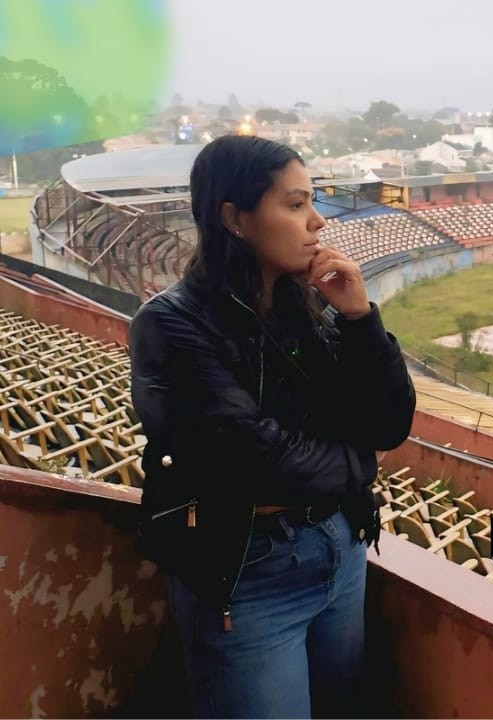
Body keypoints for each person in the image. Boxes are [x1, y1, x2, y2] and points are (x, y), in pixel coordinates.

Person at [128, 134, 417, 718]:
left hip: (341, 548)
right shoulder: (172, 324)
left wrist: (361, 320)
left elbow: (389, 422)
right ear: (234, 218)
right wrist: (358, 463)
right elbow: (257, 459)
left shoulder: (308, 309)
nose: (316, 223)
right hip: (249, 573)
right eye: (295, 205)